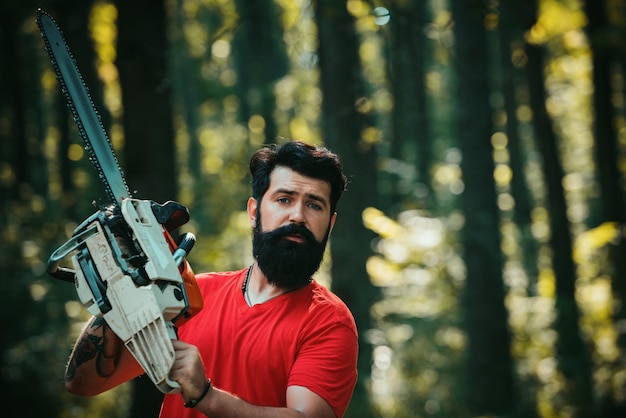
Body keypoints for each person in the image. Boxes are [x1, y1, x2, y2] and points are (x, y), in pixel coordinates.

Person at [64, 140, 359, 418]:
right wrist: (123, 289)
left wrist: (207, 396)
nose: (297, 216)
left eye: (314, 205)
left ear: (329, 223)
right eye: (284, 199)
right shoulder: (189, 295)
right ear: (255, 212)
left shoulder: (328, 321)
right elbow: (82, 383)